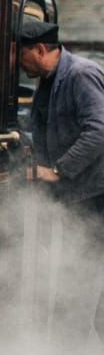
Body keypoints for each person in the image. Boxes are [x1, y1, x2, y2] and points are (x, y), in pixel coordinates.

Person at [19, 17, 104, 338]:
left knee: (90, 279)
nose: (17, 63)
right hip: (78, 195)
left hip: (95, 195)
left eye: (21, 54)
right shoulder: (49, 81)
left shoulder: (81, 75)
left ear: (40, 49)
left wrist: (58, 170)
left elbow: (98, 131)